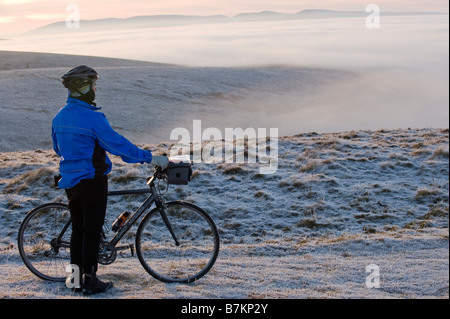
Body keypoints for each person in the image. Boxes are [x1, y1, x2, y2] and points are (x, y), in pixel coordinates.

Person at [52, 65, 168, 295]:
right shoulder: (92, 118)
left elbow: (58, 148)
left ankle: (75, 280)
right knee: (92, 232)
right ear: (84, 87)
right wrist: (151, 157)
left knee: (78, 231)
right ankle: (90, 281)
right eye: (93, 85)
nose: (95, 89)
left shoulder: (59, 117)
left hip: (71, 182)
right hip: (92, 180)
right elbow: (119, 146)